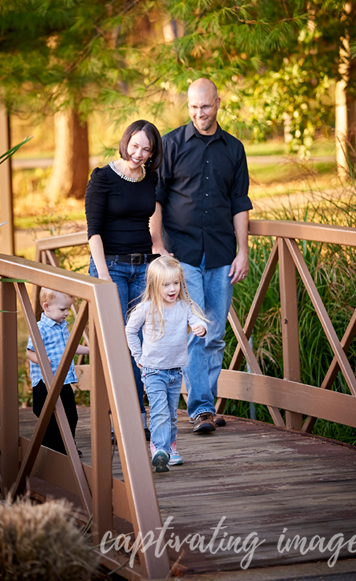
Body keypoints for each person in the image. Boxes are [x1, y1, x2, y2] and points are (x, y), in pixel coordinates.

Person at [151, 78, 253, 434]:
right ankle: (201, 409)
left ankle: (205, 403)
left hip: (223, 253)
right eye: (193, 107)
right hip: (185, 253)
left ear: (218, 103)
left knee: (216, 334)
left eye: (205, 107)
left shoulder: (234, 149)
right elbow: (157, 198)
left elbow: (240, 202)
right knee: (197, 330)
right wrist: (157, 245)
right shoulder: (171, 144)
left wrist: (243, 251)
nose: (199, 114)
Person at [85, 120, 163, 439]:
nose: (138, 154)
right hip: (111, 268)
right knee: (119, 345)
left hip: (143, 267)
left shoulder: (150, 178)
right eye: (134, 146)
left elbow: (152, 221)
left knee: (142, 346)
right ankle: (119, 418)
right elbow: (93, 231)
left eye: (146, 149)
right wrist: (103, 276)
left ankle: (137, 415)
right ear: (125, 141)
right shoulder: (102, 178)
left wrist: (160, 252)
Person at [125, 256, 207, 472]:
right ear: (154, 285)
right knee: (160, 412)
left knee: (171, 415)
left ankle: (170, 448)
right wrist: (138, 356)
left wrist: (201, 328)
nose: (172, 289)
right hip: (152, 371)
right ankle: (159, 450)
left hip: (175, 371)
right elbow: (130, 330)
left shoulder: (183, 306)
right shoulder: (146, 308)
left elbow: (196, 320)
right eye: (166, 284)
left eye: (176, 283)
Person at [27, 288, 89, 454]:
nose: (67, 313)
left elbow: (72, 346)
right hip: (45, 382)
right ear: (46, 307)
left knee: (71, 416)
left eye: (68, 309)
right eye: (63, 309)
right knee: (49, 418)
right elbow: (29, 351)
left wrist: (91, 350)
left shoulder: (62, 327)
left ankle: (68, 445)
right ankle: (52, 450)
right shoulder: (40, 328)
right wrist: (40, 359)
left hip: (63, 380)